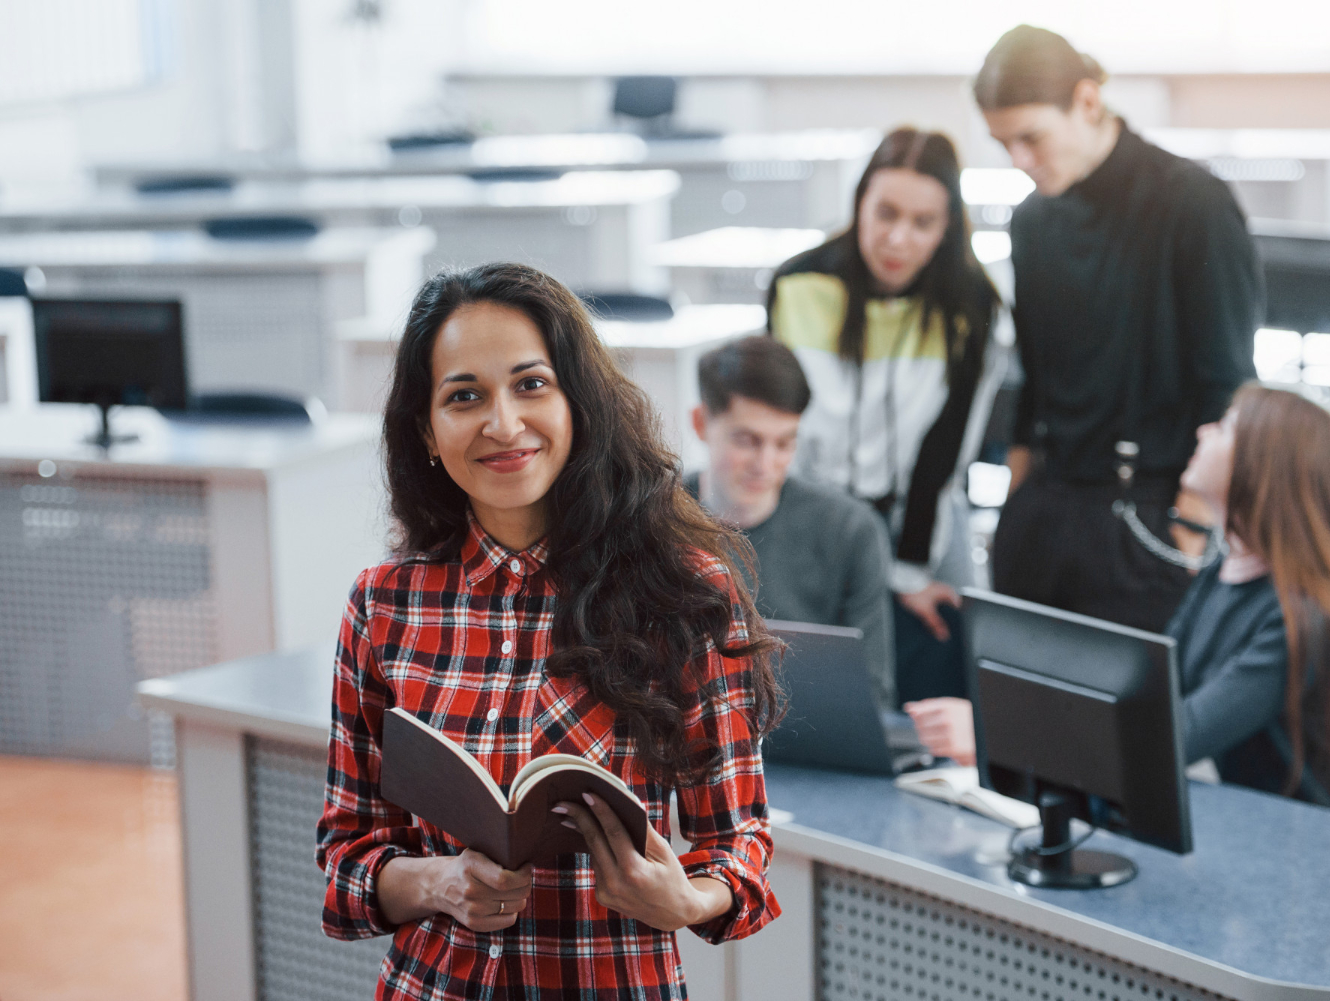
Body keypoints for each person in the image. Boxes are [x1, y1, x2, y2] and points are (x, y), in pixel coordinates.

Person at [316, 263, 783, 1000]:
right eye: (464, 396)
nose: (503, 424)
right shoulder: (385, 605)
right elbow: (346, 854)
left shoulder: (685, 593)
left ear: (579, 403)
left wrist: (687, 899)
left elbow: (740, 843)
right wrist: (437, 882)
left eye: (531, 384)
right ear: (428, 432)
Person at [908, 384, 1330, 832]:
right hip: (1271, 828)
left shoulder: (1304, 616)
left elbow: (1173, 737)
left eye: (1224, 427)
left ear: (1262, 463)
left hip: (1328, 851)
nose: (1203, 432)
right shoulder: (1222, 573)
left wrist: (995, 732)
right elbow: (1146, 699)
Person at [974, 25, 1261, 633]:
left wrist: (1188, 526)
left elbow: (1226, 380)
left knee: (1131, 725)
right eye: (1004, 144)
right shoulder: (1031, 222)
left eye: (1031, 138)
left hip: (1149, 513)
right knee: (1019, 709)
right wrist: (1016, 506)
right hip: (1046, 507)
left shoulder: (1192, 202)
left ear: (1087, 101)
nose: (1019, 161)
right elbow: (1032, 381)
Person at [766, 126, 1008, 704]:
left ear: (947, 227)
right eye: (886, 213)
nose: (898, 238)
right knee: (806, 697)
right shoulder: (798, 285)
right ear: (860, 205)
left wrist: (906, 575)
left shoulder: (972, 307)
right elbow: (781, 429)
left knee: (955, 674)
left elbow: (944, 455)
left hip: (918, 522)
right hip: (815, 517)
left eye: (923, 223)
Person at [685, 335, 896, 707]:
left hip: (810, 744)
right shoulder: (650, 518)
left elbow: (872, 694)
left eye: (784, 444)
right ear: (701, 424)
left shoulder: (850, 531)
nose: (765, 465)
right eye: (747, 441)